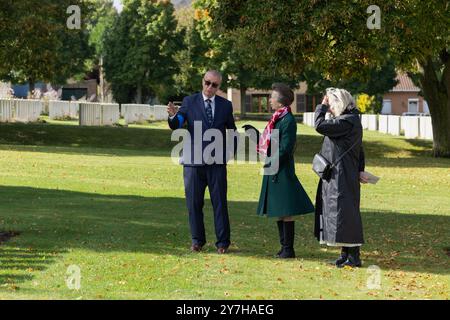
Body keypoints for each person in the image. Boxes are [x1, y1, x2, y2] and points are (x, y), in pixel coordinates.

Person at [167, 70, 237, 254]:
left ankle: (223, 243)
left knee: (220, 203)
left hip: (216, 163)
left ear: (219, 86)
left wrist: (231, 152)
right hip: (193, 163)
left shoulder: (225, 105)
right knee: (193, 203)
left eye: (214, 85)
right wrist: (173, 116)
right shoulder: (189, 102)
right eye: (207, 83)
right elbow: (178, 122)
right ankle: (197, 240)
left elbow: (232, 131)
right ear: (202, 81)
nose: (210, 87)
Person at [255, 83, 315, 259]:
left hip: (282, 169)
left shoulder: (287, 120)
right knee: (279, 210)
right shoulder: (278, 117)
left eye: (272, 97)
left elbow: (286, 148)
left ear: (280, 102)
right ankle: (284, 247)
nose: (270, 100)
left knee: (286, 210)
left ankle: (288, 249)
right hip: (274, 167)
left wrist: (271, 162)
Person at [314, 88, 368, 268]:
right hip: (342, 173)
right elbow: (360, 150)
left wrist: (320, 107)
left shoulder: (347, 122)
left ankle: (354, 256)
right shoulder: (349, 121)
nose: (329, 108)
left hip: (342, 175)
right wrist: (360, 170)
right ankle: (345, 254)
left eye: (330, 104)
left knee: (346, 214)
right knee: (342, 215)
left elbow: (319, 126)